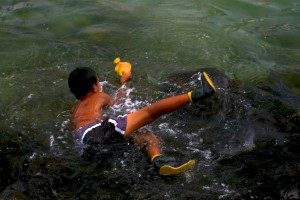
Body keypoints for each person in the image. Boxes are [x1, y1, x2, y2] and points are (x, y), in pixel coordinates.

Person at [68, 66, 216, 175]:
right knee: (149, 112)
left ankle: (158, 160)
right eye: (99, 83)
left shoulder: (74, 109)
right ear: (94, 87)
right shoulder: (99, 96)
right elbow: (119, 100)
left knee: (144, 135)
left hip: (85, 143)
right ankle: (199, 93)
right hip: (95, 131)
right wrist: (124, 82)